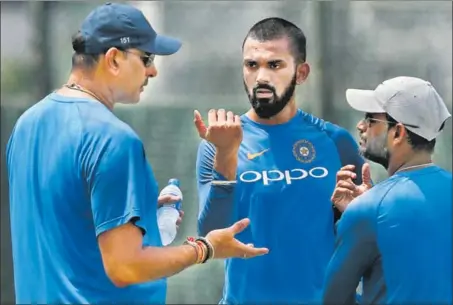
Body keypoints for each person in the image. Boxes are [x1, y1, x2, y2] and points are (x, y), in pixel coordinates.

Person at [6, 3, 268, 304]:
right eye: (146, 58)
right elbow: (125, 267)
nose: (153, 70)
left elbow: (60, 223)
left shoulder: (26, 125)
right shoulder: (113, 139)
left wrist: (131, 215)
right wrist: (205, 248)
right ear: (114, 59)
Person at [193, 17, 367, 304]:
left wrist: (355, 213)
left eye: (274, 65)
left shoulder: (336, 141)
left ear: (301, 73)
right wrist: (226, 156)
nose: (261, 77)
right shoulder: (219, 143)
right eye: (252, 65)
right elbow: (210, 235)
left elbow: (364, 237)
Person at [322, 76, 452, 305]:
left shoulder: (368, 209)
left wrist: (353, 216)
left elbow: (334, 299)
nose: (360, 126)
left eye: (370, 119)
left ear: (398, 133)